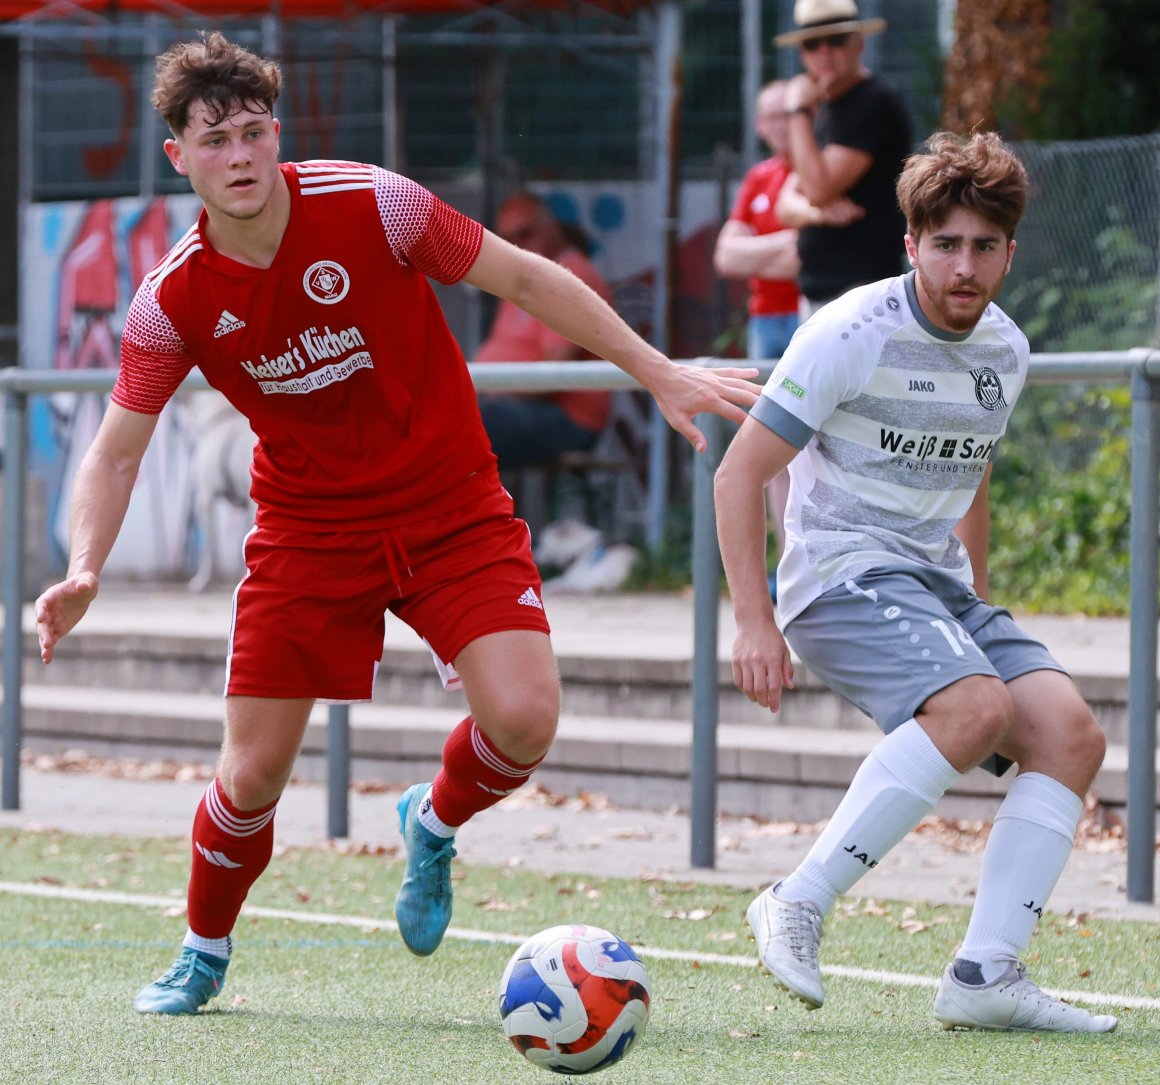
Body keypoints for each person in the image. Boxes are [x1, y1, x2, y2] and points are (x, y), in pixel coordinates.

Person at [33, 31, 759, 1016]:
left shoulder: (374, 203)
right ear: (178, 157)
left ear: (276, 133)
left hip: (448, 504)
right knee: (250, 775)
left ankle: (434, 816)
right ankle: (202, 950)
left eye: (252, 132)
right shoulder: (174, 300)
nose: (239, 156)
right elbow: (116, 449)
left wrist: (658, 368)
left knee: (524, 717)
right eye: (214, 141)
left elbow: (528, 278)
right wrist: (84, 566)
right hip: (306, 532)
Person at [714, 130, 1118, 1034]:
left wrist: (975, 597)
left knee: (1072, 736)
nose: (963, 266)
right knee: (973, 709)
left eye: (983, 246)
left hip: (935, 585)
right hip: (838, 573)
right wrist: (752, 622)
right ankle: (796, 899)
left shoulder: (1005, 352)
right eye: (945, 244)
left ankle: (985, 973)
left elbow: (970, 475)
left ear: (1010, 253)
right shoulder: (848, 332)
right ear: (911, 245)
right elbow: (737, 475)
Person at [773, 0, 913, 318]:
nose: (824, 53)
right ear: (802, 54)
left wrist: (796, 111)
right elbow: (785, 204)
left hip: (862, 292)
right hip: (821, 293)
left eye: (835, 40)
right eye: (811, 44)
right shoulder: (828, 109)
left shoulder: (872, 101)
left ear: (858, 43)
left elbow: (818, 187)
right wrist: (817, 213)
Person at [474, 191, 614, 471]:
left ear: (551, 227)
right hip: (512, 403)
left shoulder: (570, 275)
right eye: (507, 239)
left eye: (525, 233)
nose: (515, 245)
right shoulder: (524, 274)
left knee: (463, 425)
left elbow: (554, 375)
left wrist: (489, 392)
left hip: (566, 418)